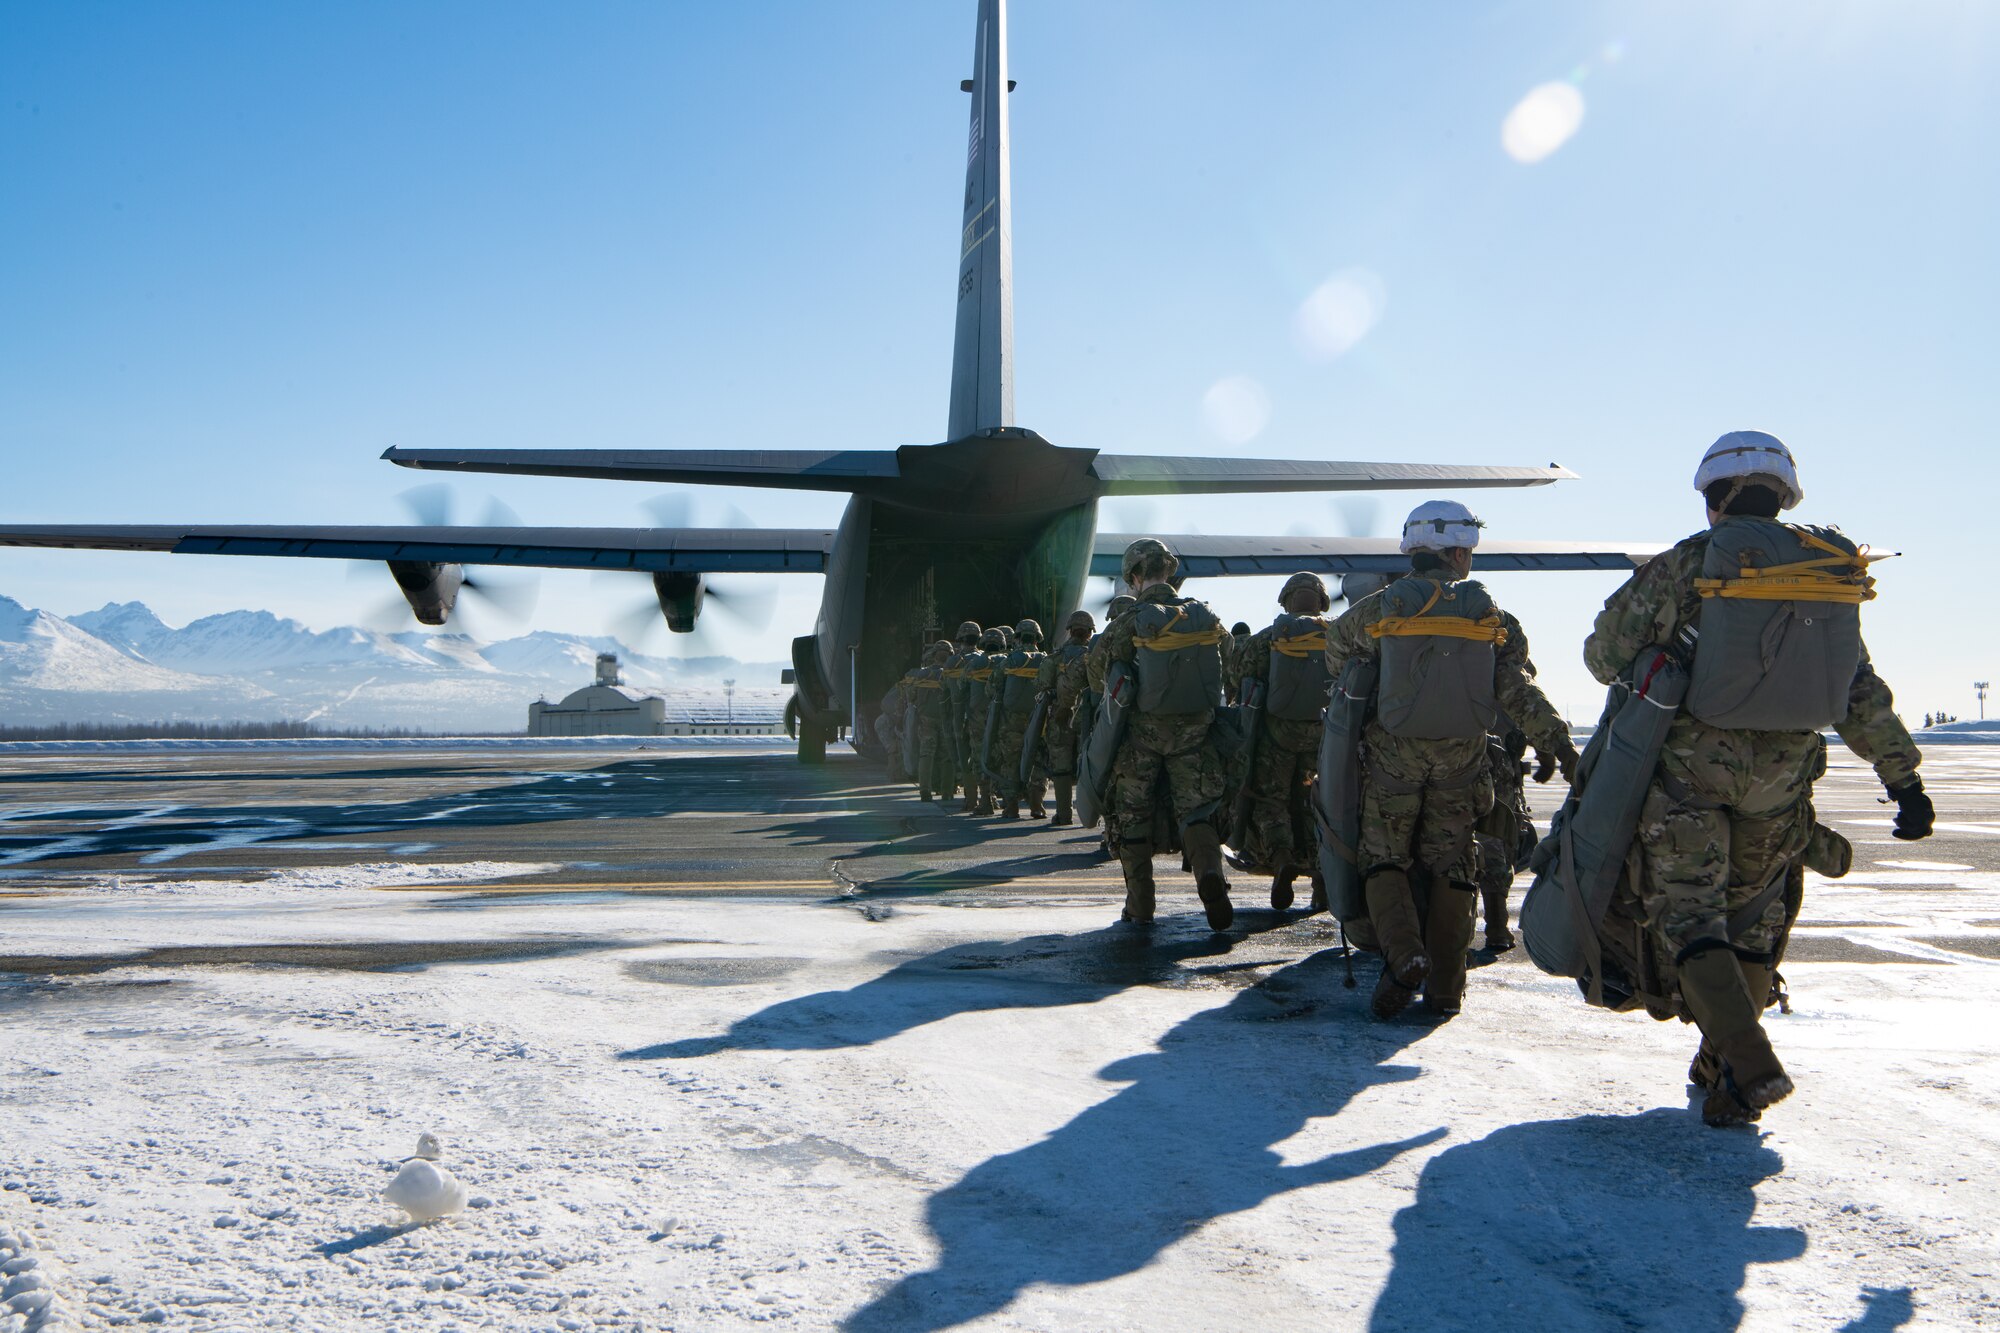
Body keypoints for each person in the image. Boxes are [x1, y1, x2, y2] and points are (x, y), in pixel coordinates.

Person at [1583, 431, 1929, 1127]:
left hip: (1689, 774)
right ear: (1785, 497)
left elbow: (1602, 654)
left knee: (1689, 919)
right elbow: (1858, 688)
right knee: (1750, 923)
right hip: (1782, 780)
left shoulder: (1687, 564)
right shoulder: (1826, 571)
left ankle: (1749, 1060)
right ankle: (1721, 1069)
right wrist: (1904, 780)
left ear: (1713, 499)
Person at [1326, 501, 1576, 1020]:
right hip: (1462, 762)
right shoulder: (1493, 615)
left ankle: (1403, 957)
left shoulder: (1376, 609)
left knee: (1385, 859)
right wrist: (1556, 741)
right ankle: (1445, 988)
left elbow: (1337, 658)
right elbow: (1515, 688)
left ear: (1412, 551)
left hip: (1392, 759)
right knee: (1453, 862)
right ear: (1460, 552)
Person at [1088, 539, 1236, 929]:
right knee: (1197, 810)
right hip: (1196, 733)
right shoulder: (1204, 615)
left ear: (1135, 577)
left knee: (1132, 815)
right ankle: (1209, 874)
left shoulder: (1129, 621)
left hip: (1142, 738)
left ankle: (1141, 905)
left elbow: (1095, 672)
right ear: (1169, 571)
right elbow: (1231, 660)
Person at [1232, 572, 1336, 912]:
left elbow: (1240, 675)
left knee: (1271, 800)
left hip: (1277, 735)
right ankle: (1321, 884)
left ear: (1286, 600)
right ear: (1321, 602)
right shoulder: (1337, 636)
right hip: (1324, 736)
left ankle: (1281, 860)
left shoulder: (1268, 638)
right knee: (1319, 804)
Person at [1473, 719, 1534, 951]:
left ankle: (1495, 926)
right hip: (1494, 763)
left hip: (1472, 758)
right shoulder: (1507, 686)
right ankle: (1497, 927)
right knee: (1494, 842)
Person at [1037, 610, 1095, 826]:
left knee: (1061, 768)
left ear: (1069, 630)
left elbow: (1043, 686)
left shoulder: (1054, 657)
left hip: (1060, 717)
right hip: (1089, 718)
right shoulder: (1095, 656)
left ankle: (1063, 815)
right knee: (1090, 766)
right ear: (1089, 632)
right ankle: (1091, 817)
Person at [993, 620, 1051, 819]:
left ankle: (1011, 806)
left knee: (1010, 760)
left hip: (1011, 721)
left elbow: (992, 687)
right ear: (1038, 638)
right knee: (1038, 759)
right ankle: (1037, 804)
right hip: (1040, 720)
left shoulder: (1009, 661)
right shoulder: (1046, 660)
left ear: (1017, 637)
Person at [963, 627, 1009, 815]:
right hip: (1003, 717)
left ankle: (985, 801)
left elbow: (961, 685)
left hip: (978, 718)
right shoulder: (1008, 661)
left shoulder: (975, 663)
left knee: (980, 757)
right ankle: (1007, 799)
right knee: (1005, 757)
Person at [943, 621, 983, 804]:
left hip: (958, 716)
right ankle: (987, 797)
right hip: (980, 716)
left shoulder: (952, 662)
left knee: (963, 755)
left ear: (960, 638)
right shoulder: (984, 660)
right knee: (982, 753)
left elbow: (944, 696)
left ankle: (970, 797)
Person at [909, 641, 954, 801]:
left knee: (926, 755)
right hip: (946, 721)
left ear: (934, 655)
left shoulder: (922, 674)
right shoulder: (951, 674)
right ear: (950, 655)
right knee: (947, 756)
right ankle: (947, 791)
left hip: (926, 721)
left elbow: (911, 696)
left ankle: (925, 791)